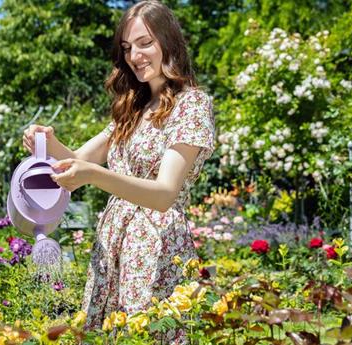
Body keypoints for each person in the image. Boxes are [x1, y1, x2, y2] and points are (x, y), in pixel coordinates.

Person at [22, 0, 214, 339]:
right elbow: (78, 160)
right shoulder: (133, 108)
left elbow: (165, 194)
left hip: (155, 245)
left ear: (168, 42)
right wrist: (48, 142)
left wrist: (93, 175)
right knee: (108, 334)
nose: (135, 56)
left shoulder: (191, 104)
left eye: (145, 43)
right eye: (127, 48)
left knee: (147, 332)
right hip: (112, 244)